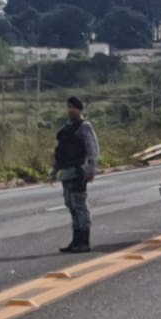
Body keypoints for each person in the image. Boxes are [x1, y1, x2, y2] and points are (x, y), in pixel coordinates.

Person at [51, 96, 100, 253]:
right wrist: (54, 171)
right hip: (67, 172)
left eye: (74, 107)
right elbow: (61, 152)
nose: (70, 110)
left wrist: (91, 170)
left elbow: (92, 149)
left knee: (79, 205)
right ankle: (76, 240)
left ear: (80, 110)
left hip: (79, 172)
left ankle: (83, 241)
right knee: (70, 204)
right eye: (69, 106)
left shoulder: (85, 127)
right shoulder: (67, 128)